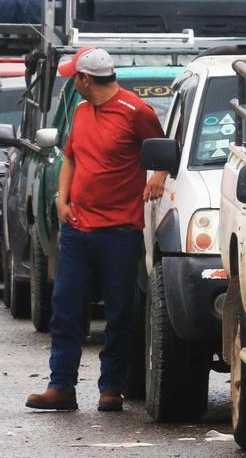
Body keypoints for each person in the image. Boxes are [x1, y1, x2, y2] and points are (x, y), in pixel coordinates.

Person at [25, 47, 165, 412]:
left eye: (76, 77)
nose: (74, 82)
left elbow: (164, 151)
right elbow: (70, 156)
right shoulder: (82, 110)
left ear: (86, 79)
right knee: (66, 308)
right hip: (77, 229)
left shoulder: (137, 112)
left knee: (120, 312)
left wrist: (159, 178)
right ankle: (61, 386)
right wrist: (62, 198)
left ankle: (111, 389)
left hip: (119, 231)